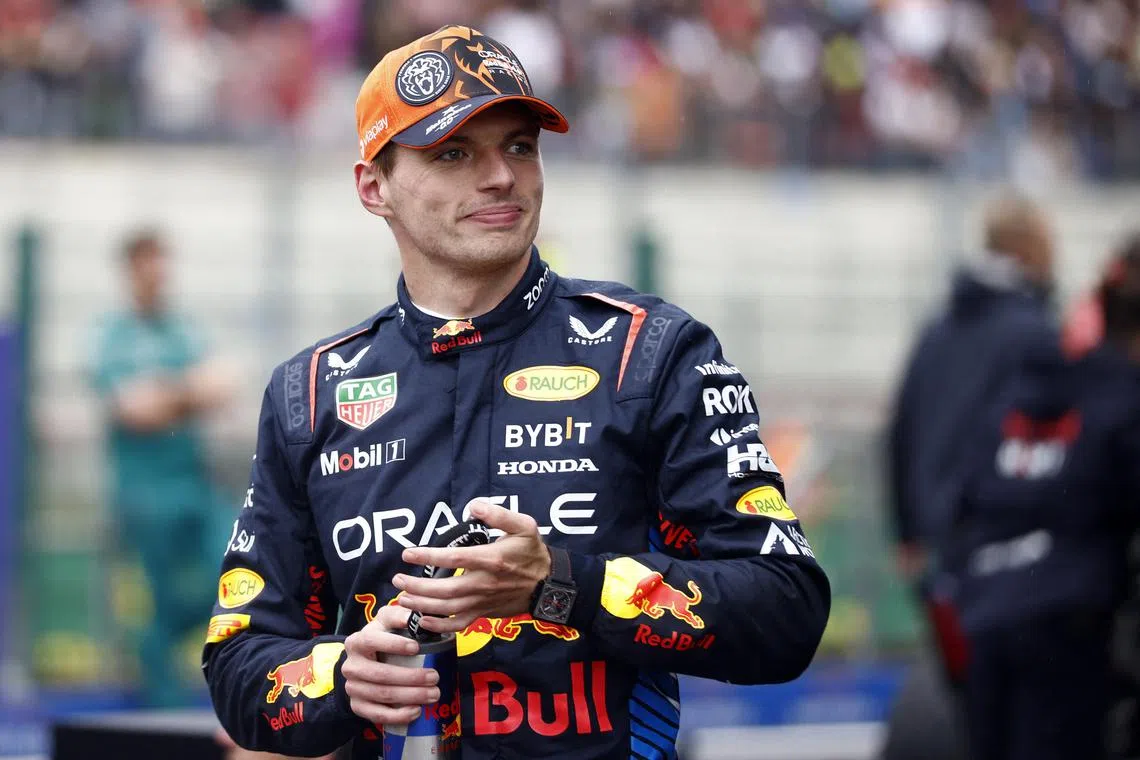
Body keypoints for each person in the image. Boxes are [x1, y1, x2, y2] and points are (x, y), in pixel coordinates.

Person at [201, 24, 831, 759]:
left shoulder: (652, 354)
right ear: (374, 187)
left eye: (520, 147)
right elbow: (237, 663)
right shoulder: (310, 394)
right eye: (454, 154)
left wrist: (561, 584)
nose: (500, 176)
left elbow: (787, 609)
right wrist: (342, 677)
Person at [945, 242, 1140, 760]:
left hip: (989, 605)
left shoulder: (1010, 396)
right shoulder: (1120, 397)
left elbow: (961, 499)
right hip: (1068, 616)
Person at [90, 229, 233, 707]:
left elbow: (220, 386)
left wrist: (166, 396)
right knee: (154, 597)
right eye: (148, 264)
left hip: (194, 482)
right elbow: (133, 409)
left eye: (162, 263)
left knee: (234, 570)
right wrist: (186, 394)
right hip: (144, 494)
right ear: (130, 270)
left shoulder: (181, 328)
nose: (158, 274)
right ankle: (161, 706)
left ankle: (164, 641)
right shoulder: (112, 335)